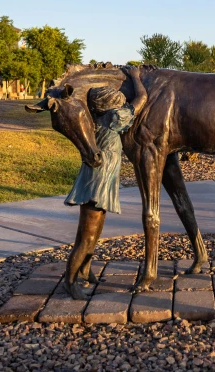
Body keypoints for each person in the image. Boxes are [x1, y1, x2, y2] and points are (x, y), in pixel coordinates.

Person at [62, 65, 147, 299]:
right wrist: (136, 77)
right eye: (117, 101)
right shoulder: (112, 118)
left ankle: (86, 270)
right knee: (86, 236)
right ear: (109, 105)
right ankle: (69, 282)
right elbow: (141, 100)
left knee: (95, 231)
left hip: (102, 180)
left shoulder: (98, 118)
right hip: (97, 182)